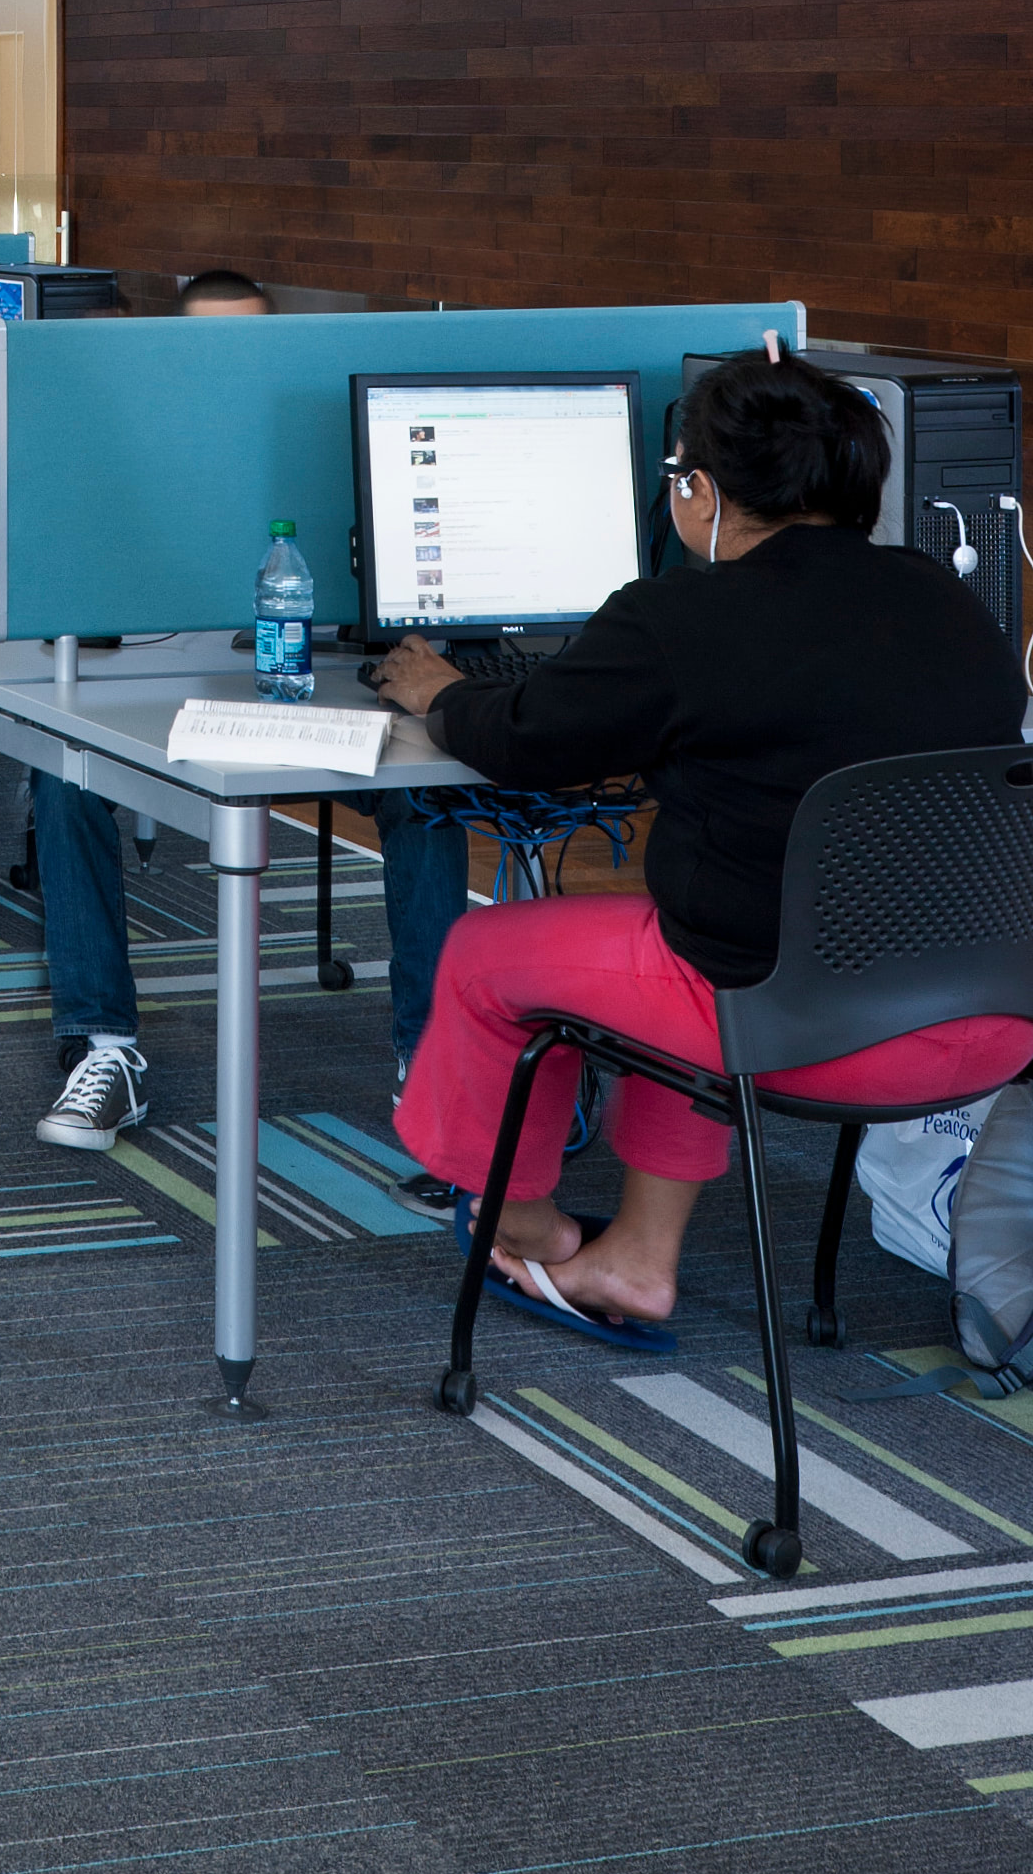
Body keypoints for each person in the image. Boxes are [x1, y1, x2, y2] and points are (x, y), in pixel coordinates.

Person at [384, 344, 1033, 1340]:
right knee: (689, 937)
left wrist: (439, 691)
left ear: (699, 489)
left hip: (801, 1030)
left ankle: (514, 1221)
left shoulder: (682, 616)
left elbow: (520, 743)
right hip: (987, 1024)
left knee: (489, 955)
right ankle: (638, 1261)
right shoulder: (946, 599)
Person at [31, 264, 473, 1153]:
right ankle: (105, 1046)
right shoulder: (131, 444)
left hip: (312, 680)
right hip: (163, 682)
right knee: (63, 778)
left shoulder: (325, 436)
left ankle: (432, 1063)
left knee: (427, 800)